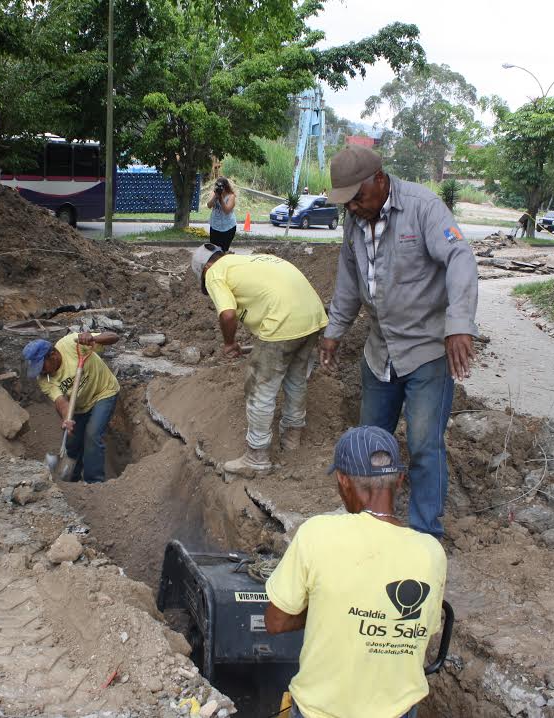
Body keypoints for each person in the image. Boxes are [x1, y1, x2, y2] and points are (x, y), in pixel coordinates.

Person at [319, 145, 478, 538]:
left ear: (379, 178)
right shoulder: (354, 221)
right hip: (379, 352)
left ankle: (425, 536)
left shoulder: (423, 207)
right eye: (347, 203)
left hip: (425, 351)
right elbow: (348, 279)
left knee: (424, 445)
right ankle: (367, 527)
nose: (353, 208)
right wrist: (334, 331)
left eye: (357, 197)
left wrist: (459, 323)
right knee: (368, 443)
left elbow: (460, 257)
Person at [266, 425, 447, 718]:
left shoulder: (318, 534)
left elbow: (275, 622)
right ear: (400, 479)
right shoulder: (432, 553)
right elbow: (420, 631)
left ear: (343, 480)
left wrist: (330, 610)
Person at [190, 243, 327, 473]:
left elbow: (227, 314)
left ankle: (257, 456)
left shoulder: (214, 272)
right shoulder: (249, 262)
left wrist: (229, 342)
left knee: (260, 387)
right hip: (313, 317)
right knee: (295, 378)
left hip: (282, 321)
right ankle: (292, 438)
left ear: (205, 269)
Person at [23, 331, 120, 484]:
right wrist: (67, 419)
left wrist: (93, 338)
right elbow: (61, 402)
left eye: (42, 366)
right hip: (80, 405)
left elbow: (114, 336)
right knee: (72, 440)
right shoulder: (44, 379)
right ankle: (71, 479)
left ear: (53, 355)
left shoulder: (71, 344)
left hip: (104, 392)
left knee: (92, 435)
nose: (41, 371)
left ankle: (93, 483)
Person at [206, 177, 237, 251]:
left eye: (221, 187)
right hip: (215, 225)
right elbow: (209, 206)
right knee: (214, 250)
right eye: (217, 186)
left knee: (223, 250)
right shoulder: (214, 193)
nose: (219, 189)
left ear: (226, 187)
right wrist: (215, 197)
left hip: (228, 227)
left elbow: (227, 211)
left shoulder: (231, 196)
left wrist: (221, 199)